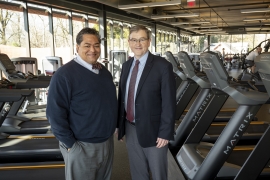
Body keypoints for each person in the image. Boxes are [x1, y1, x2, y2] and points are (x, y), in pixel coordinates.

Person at [46, 27, 117, 180]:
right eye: (87, 45)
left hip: (106, 143)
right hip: (81, 145)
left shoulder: (104, 72)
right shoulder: (64, 75)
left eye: (96, 45)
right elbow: (55, 115)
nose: (93, 49)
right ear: (77, 47)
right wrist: (71, 145)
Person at [116, 25, 176, 180]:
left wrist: (165, 132)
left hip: (154, 131)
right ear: (129, 42)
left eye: (142, 39)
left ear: (149, 41)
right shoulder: (126, 66)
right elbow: (122, 97)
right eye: (134, 40)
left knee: (158, 174)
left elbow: (169, 102)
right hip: (130, 128)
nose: (138, 44)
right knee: (138, 173)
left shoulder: (162, 66)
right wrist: (120, 125)